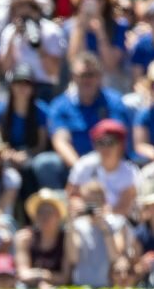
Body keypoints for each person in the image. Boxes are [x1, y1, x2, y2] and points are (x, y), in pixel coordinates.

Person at [42, 52, 131, 190]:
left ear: (99, 77)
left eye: (91, 75)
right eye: (82, 75)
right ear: (73, 77)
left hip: (110, 163)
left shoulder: (114, 102)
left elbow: (117, 138)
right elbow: (60, 141)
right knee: (46, 163)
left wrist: (101, 167)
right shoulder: (60, 105)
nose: (87, 80)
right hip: (74, 166)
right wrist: (82, 169)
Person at [67, 119, 140, 216]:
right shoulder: (84, 165)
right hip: (86, 221)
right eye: (100, 142)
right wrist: (81, 206)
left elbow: (123, 209)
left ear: (120, 145)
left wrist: (98, 212)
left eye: (110, 142)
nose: (105, 148)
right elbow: (72, 195)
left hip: (118, 224)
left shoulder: (130, 173)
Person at [15, 187, 73, 289]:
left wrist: (41, 277)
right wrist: (42, 278)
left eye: (49, 212)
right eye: (40, 212)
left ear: (58, 215)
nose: (44, 216)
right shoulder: (25, 238)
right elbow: (23, 273)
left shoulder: (66, 239)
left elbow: (64, 277)